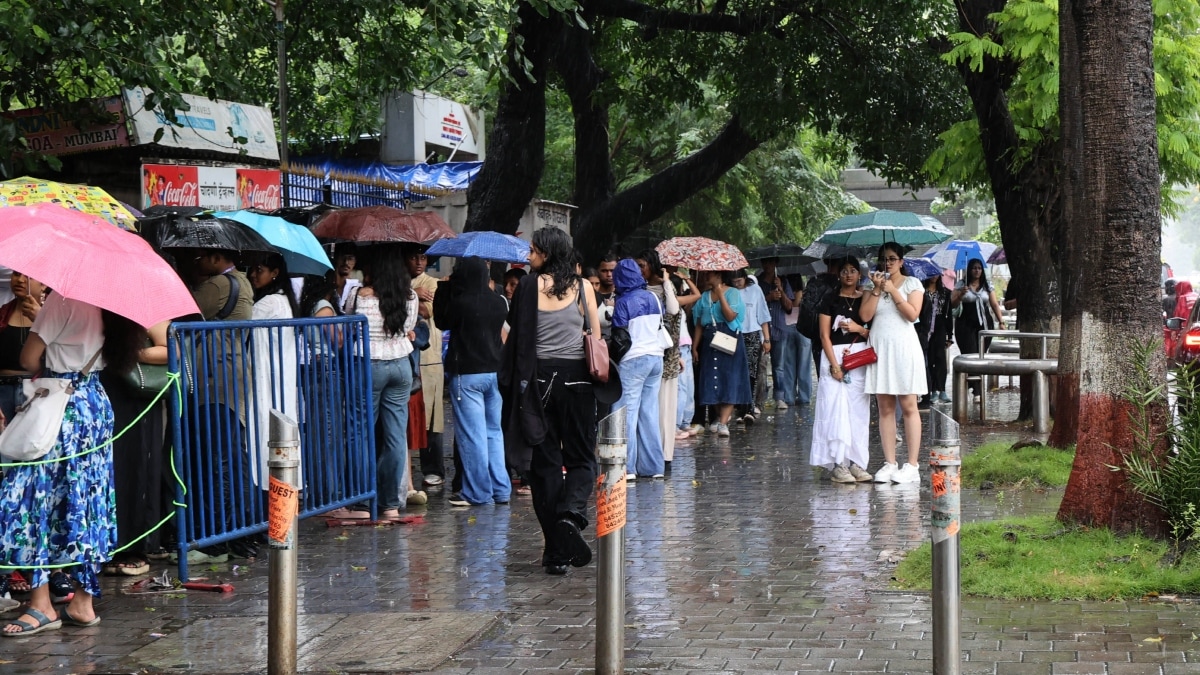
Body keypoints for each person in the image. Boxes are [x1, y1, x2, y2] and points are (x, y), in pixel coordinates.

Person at [0, 297, 142, 635]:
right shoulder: (117, 306)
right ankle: (83, 601)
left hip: (58, 406)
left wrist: (42, 323)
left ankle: (41, 604)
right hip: (93, 405)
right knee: (88, 499)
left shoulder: (62, 303)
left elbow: (28, 358)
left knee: (32, 500)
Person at [500, 228, 601, 575]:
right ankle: (570, 516)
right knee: (583, 459)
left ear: (546, 253)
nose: (528, 257)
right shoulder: (584, 287)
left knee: (544, 467)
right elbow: (596, 338)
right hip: (577, 381)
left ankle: (555, 551)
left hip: (537, 383)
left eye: (533, 251)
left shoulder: (528, 286)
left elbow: (511, 332)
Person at [344, 246, 418, 521]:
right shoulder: (410, 297)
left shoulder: (359, 296)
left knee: (361, 434)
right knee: (395, 436)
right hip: (401, 365)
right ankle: (390, 505)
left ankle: (362, 505)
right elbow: (409, 329)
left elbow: (349, 327)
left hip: (367, 364)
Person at [434, 258, 511, 506]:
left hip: (466, 374)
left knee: (472, 435)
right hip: (492, 374)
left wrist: (444, 288)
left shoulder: (461, 302)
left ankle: (477, 492)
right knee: (493, 433)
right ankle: (501, 489)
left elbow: (441, 321)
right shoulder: (498, 303)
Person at [96, 319, 170, 577]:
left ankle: (134, 547)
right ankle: (107, 545)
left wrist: (130, 353)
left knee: (132, 467)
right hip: (101, 393)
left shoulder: (142, 306)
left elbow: (170, 349)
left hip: (134, 397)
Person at [860, 242, 927, 484]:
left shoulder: (912, 284)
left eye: (892, 258)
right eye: (884, 258)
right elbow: (865, 317)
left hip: (904, 348)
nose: (887, 262)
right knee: (885, 407)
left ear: (901, 261)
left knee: (908, 404)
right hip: (880, 349)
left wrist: (893, 290)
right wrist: (878, 289)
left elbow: (912, 314)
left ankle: (912, 464)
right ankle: (890, 462)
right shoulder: (871, 286)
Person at [810, 258, 873, 482]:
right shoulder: (829, 298)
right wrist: (834, 365)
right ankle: (838, 463)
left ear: (859, 274)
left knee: (858, 410)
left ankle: (857, 462)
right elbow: (824, 335)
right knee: (834, 409)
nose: (848, 275)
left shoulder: (865, 298)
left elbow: (870, 329)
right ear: (839, 274)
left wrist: (860, 330)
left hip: (858, 357)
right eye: (845, 271)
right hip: (834, 355)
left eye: (853, 271)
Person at [248, 254, 301, 497]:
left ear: (275, 272)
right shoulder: (286, 301)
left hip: (265, 377)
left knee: (262, 430)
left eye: (259, 269)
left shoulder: (266, 304)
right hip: (282, 378)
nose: (253, 275)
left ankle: (265, 487)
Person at [613, 257, 665, 480]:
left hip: (633, 360)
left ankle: (628, 468)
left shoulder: (622, 302)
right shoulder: (654, 296)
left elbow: (620, 336)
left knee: (626, 412)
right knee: (649, 412)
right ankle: (654, 467)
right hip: (656, 358)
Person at [405, 246, 447, 490]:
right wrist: (412, 292)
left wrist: (410, 294)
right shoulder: (403, 282)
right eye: (413, 256)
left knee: (432, 418)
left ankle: (434, 469)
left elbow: (426, 311)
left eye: (422, 257)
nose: (419, 262)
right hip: (406, 357)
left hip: (429, 359)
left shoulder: (432, 283)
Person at [635, 250, 682, 469]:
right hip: (645, 354)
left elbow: (673, 310)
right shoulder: (637, 289)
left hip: (666, 354)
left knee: (665, 408)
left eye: (642, 265)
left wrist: (666, 282)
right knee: (649, 409)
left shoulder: (665, 288)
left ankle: (665, 455)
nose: (639, 270)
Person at [692, 270, 750, 437]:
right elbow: (699, 324)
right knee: (713, 379)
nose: (705, 276)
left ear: (718, 274)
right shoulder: (704, 296)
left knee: (730, 379)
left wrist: (720, 294)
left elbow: (731, 316)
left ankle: (724, 422)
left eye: (708, 273)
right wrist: (694, 346)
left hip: (729, 339)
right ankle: (720, 416)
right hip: (710, 341)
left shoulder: (733, 293)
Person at [951, 258, 1005, 398]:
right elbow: (952, 304)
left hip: (984, 324)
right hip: (965, 324)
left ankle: (972, 384)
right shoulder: (961, 284)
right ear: (969, 269)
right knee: (971, 354)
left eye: (979, 268)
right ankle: (977, 390)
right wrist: (961, 295)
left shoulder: (987, 286)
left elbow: (994, 304)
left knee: (981, 355)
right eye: (974, 268)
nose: (977, 271)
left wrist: (1001, 321)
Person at [0, 270, 47, 421]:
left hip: (39, 393)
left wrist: (41, 320)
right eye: (16, 274)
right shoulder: (2, 315)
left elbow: (61, 351)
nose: (20, 280)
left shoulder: (54, 317)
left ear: (43, 285)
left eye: (29, 277)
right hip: (3, 392)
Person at [759, 258, 798, 409]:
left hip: (779, 328)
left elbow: (789, 307)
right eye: (765, 263)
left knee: (779, 366)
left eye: (771, 263)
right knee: (760, 366)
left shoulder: (783, 281)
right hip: (763, 330)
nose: (768, 266)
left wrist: (781, 290)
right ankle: (759, 399)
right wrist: (768, 298)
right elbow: (755, 303)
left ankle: (779, 397)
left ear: (776, 264)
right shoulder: (757, 282)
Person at [732, 270, 771, 423]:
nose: (737, 284)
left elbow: (763, 314)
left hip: (753, 333)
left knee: (752, 372)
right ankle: (740, 407)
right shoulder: (730, 291)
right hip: (734, 333)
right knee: (736, 372)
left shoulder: (755, 290)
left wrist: (766, 339)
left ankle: (749, 408)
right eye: (734, 281)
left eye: (739, 281)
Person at [920, 273, 954, 404]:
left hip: (940, 328)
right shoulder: (921, 291)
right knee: (929, 357)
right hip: (925, 327)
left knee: (940, 358)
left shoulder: (945, 292)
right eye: (931, 273)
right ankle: (932, 389)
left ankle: (942, 389)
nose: (934, 276)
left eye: (936, 273)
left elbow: (948, 313)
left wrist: (950, 335)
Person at [595, 253, 618, 338]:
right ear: (597, 271)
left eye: (612, 271)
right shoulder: (591, 295)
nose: (609, 275)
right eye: (604, 271)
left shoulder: (623, 295)